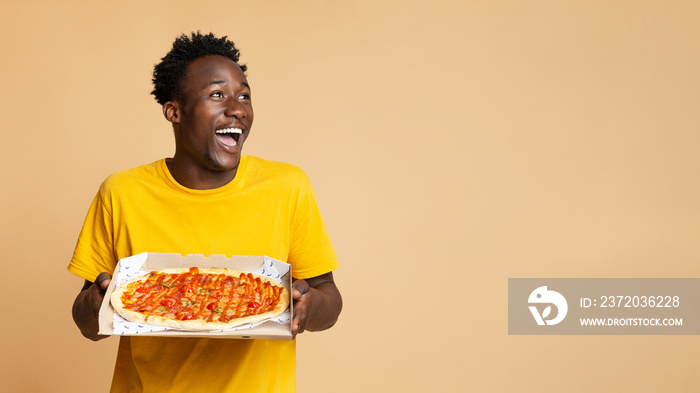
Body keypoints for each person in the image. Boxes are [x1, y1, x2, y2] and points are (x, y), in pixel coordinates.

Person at [69, 32, 342, 392]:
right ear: (174, 111)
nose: (237, 108)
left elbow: (328, 299)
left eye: (244, 95)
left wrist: (308, 307)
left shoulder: (287, 186)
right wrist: (97, 305)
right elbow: (88, 324)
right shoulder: (122, 192)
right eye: (217, 95)